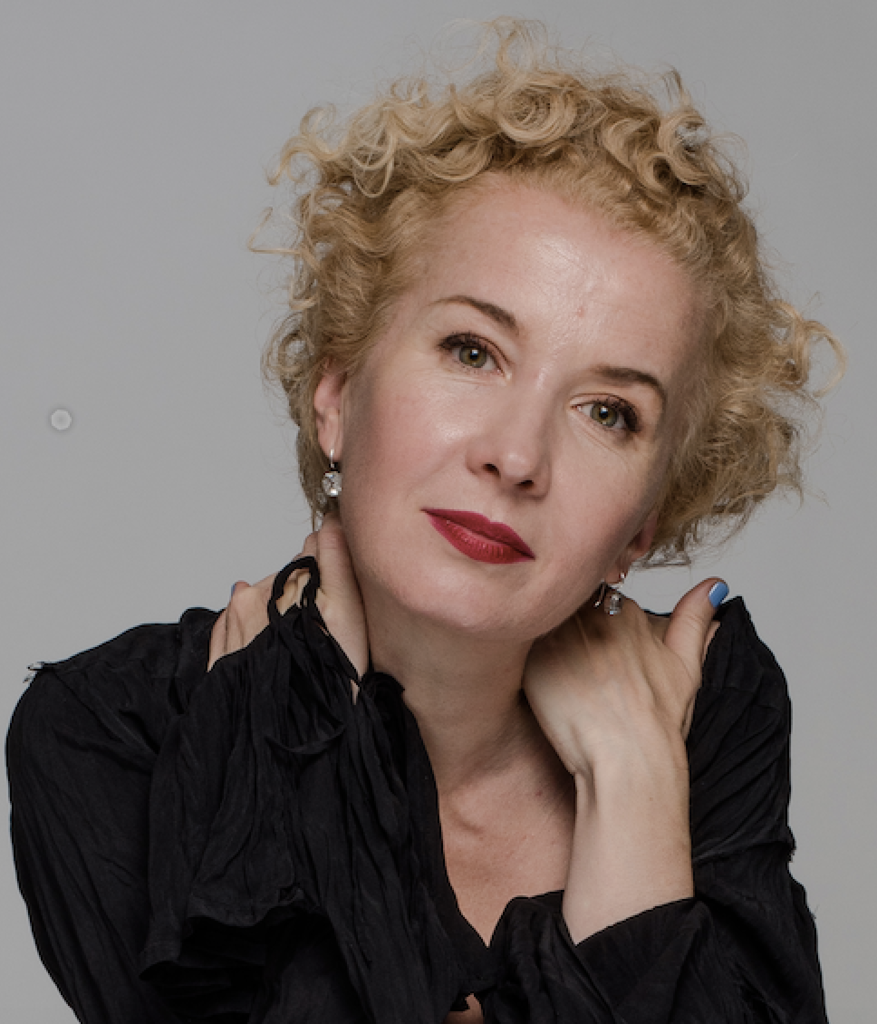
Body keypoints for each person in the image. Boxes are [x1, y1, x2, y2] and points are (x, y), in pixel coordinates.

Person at [6, 19, 842, 1024]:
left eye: (607, 412)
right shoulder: (113, 736)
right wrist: (295, 744)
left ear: (639, 528)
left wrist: (632, 787)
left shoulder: (697, 712)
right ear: (336, 393)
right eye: (471, 352)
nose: (516, 456)